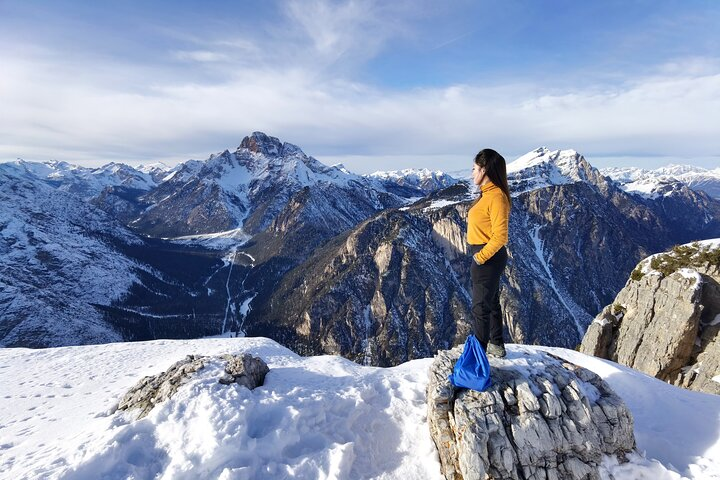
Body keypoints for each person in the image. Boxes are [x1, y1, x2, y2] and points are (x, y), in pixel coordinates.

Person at [467, 148, 511, 357]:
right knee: (490, 302)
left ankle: (478, 357)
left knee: (480, 307)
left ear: (484, 170)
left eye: (474, 169)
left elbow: (501, 236)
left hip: (488, 256)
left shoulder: (496, 197)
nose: (472, 173)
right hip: (485, 254)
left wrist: (480, 257)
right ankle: (496, 345)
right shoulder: (488, 194)